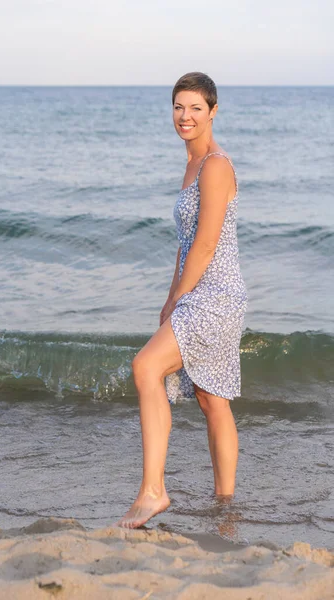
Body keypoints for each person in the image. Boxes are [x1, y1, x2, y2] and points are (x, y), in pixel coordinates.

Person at [115, 72, 248, 529]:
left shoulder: (215, 165)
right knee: (213, 401)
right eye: (178, 107)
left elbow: (206, 246)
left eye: (195, 108)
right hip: (198, 290)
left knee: (145, 366)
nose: (185, 116)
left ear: (213, 111)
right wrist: (169, 296)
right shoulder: (191, 165)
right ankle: (225, 507)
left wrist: (180, 298)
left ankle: (154, 491)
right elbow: (185, 239)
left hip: (216, 294)